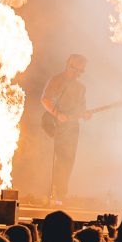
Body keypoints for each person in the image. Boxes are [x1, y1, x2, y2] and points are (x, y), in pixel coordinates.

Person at [39, 54, 91, 204]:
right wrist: (57, 115)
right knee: (61, 159)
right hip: (58, 124)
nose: (83, 72)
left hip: (73, 127)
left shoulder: (81, 88)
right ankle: (54, 193)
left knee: (68, 160)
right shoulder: (57, 79)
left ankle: (61, 193)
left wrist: (85, 114)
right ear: (73, 66)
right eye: (81, 68)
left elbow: (82, 108)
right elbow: (45, 99)